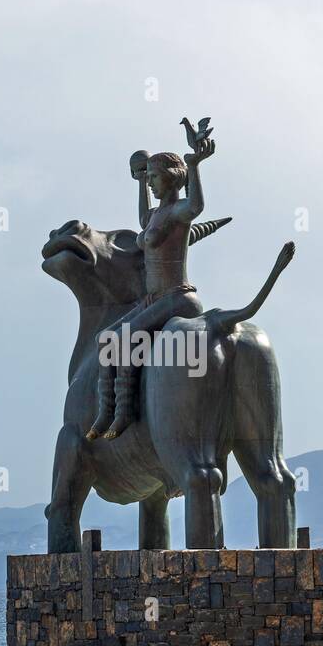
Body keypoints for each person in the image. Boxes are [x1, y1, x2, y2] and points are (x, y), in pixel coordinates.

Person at [86, 135, 215, 440]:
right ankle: (106, 410)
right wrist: (139, 181)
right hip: (153, 299)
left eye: (155, 178)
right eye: (151, 178)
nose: (152, 183)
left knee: (125, 338)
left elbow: (196, 206)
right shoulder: (156, 216)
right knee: (105, 339)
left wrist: (194, 166)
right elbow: (143, 218)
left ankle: (124, 413)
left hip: (178, 298)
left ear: (171, 180)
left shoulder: (178, 212)